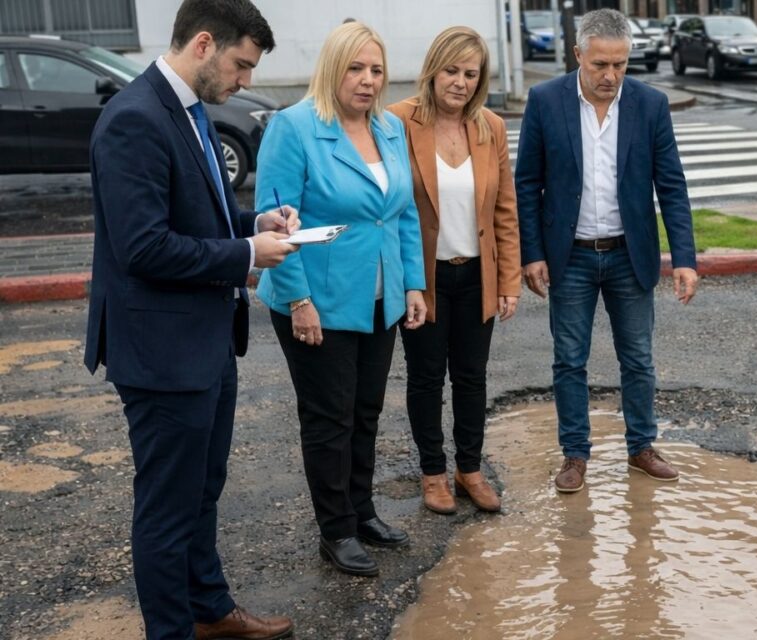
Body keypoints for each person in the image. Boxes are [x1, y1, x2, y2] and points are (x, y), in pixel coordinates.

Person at [83, 1, 297, 638]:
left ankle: (209, 610)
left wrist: (253, 223)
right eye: (241, 65)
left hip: (204, 342)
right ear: (204, 44)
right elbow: (144, 248)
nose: (246, 81)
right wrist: (247, 254)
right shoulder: (134, 119)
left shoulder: (190, 110)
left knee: (203, 489)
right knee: (167, 508)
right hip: (161, 353)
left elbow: (200, 217)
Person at [254, 21, 428, 577]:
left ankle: (363, 511)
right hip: (317, 300)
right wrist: (298, 300)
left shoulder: (389, 128)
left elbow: (401, 213)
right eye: (356, 68)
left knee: (366, 410)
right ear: (332, 68)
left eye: (376, 69)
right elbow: (278, 223)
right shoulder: (294, 127)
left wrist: (413, 284)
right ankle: (336, 530)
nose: (368, 80)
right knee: (330, 417)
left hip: (379, 297)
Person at [515, 8, 698, 494]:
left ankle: (641, 447)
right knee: (569, 360)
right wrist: (531, 253)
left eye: (620, 64)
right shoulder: (545, 100)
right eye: (600, 64)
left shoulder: (650, 104)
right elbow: (527, 183)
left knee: (638, 358)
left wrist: (684, 258)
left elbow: (672, 186)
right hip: (569, 256)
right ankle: (575, 454)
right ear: (578, 54)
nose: (611, 76)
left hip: (628, 255)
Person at [387, 26, 522, 515]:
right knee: (425, 378)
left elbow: (504, 209)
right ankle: (433, 474)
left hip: (476, 275)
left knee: (472, 377)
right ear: (433, 70)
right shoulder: (398, 121)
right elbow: (392, 207)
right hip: (424, 278)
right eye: (451, 71)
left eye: (470, 74)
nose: (460, 82)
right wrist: (407, 281)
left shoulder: (491, 126)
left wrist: (508, 280)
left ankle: (470, 469)